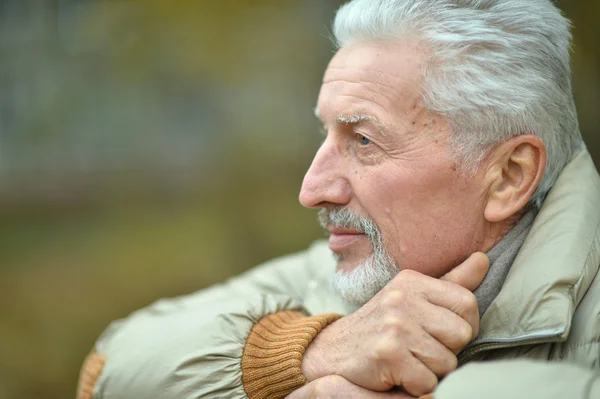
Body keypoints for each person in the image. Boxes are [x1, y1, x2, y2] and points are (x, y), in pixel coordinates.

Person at [76, 1, 600, 398]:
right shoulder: (356, 274)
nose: (312, 189)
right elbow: (105, 369)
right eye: (326, 134)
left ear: (508, 176)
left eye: (364, 142)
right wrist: (312, 351)